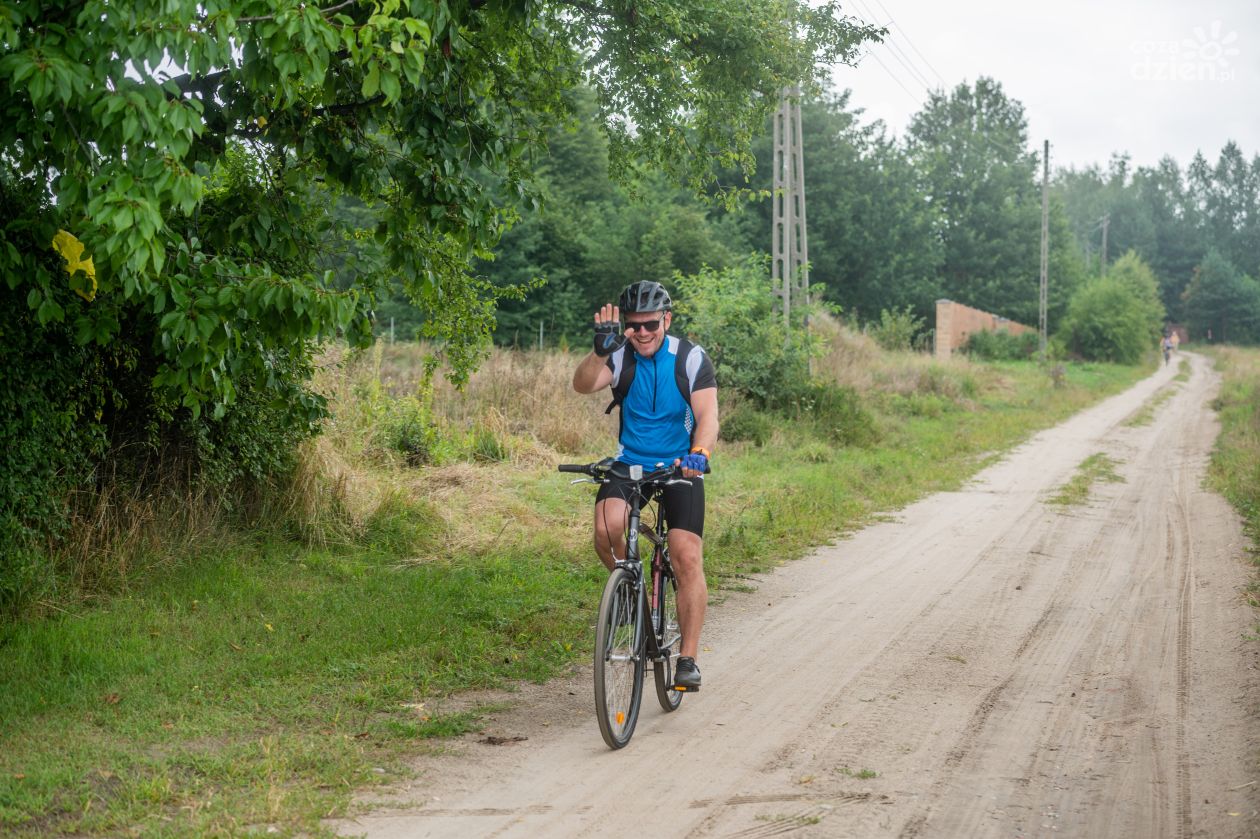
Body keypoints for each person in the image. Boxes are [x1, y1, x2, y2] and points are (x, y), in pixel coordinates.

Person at [572, 281, 719, 690]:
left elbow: (708, 415)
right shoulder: (620, 355)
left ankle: (687, 658)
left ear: (666, 320)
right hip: (629, 463)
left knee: (686, 554)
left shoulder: (689, 359)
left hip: (680, 466)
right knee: (605, 530)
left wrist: (700, 452)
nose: (641, 333)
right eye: (633, 326)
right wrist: (600, 350)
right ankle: (631, 595)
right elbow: (583, 384)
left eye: (650, 324)